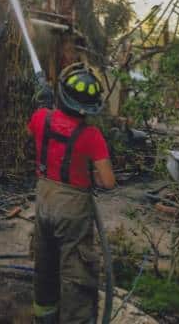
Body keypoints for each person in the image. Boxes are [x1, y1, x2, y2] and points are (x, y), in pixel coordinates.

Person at [27, 62, 115, 324]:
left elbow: (30, 131)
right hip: (73, 209)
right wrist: (93, 174)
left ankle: (44, 319)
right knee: (77, 274)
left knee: (46, 269)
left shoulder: (41, 118)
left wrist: (43, 104)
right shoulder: (91, 135)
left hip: (44, 202)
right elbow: (108, 181)